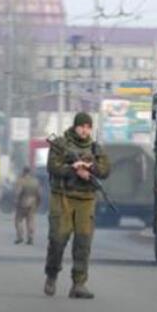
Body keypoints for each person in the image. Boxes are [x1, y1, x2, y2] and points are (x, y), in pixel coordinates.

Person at [44, 112, 110, 299]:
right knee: (58, 239)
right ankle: (51, 274)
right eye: (82, 126)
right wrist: (73, 169)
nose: (85, 130)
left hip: (86, 199)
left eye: (88, 127)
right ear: (75, 126)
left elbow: (105, 170)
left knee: (83, 242)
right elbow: (52, 166)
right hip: (63, 197)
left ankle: (79, 284)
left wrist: (90, 168)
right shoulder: (61, 144)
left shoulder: (95, 148)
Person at [13, 167, 41, 245]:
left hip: (22, 203)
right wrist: (38, 203)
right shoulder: (35, 181)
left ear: (23, 172)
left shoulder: (21, 181)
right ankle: (30, 238)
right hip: (33, 204)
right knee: (30, 221)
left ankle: (20, 237)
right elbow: (39, 194)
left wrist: (15, 202)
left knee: (18, 220)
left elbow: (17, 193)